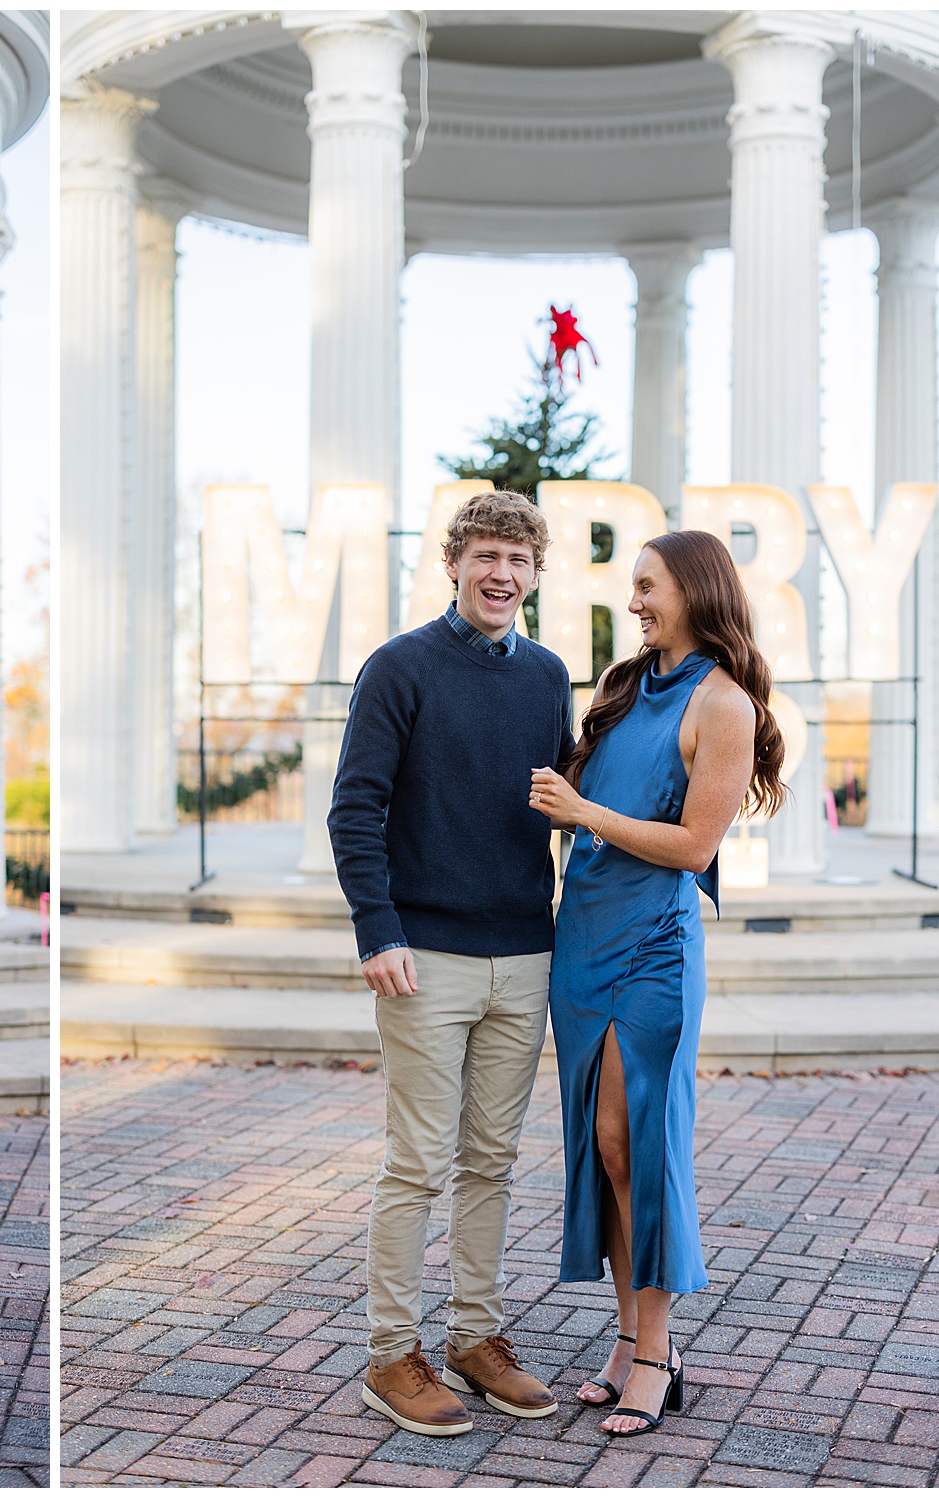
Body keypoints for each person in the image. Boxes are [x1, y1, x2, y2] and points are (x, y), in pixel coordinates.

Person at [527, 529, 784, 1437]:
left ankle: (658, 1353)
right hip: (582, 941)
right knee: (602, 1148)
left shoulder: (724, 708)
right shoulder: (623, 686)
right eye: (633, 587)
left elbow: (694, 848)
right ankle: (629, 1337)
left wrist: (584, 810)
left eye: (647, 586)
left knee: (637, 1140)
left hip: (653, 952)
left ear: (694, 590)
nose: (633, 601)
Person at [328, 490, 573, 1437]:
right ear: (454, 563)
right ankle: (392, 1355)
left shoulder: (550, 675)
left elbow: (564, 800)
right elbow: (357, 808)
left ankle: (476, 1338)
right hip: (424, 955)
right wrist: (377, 929)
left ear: (537, 573)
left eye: (518, 559)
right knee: (418, 1162)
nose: (501, 574)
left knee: (492, 1161)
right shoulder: (399, 668)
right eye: (484, 556)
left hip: (525, 952)